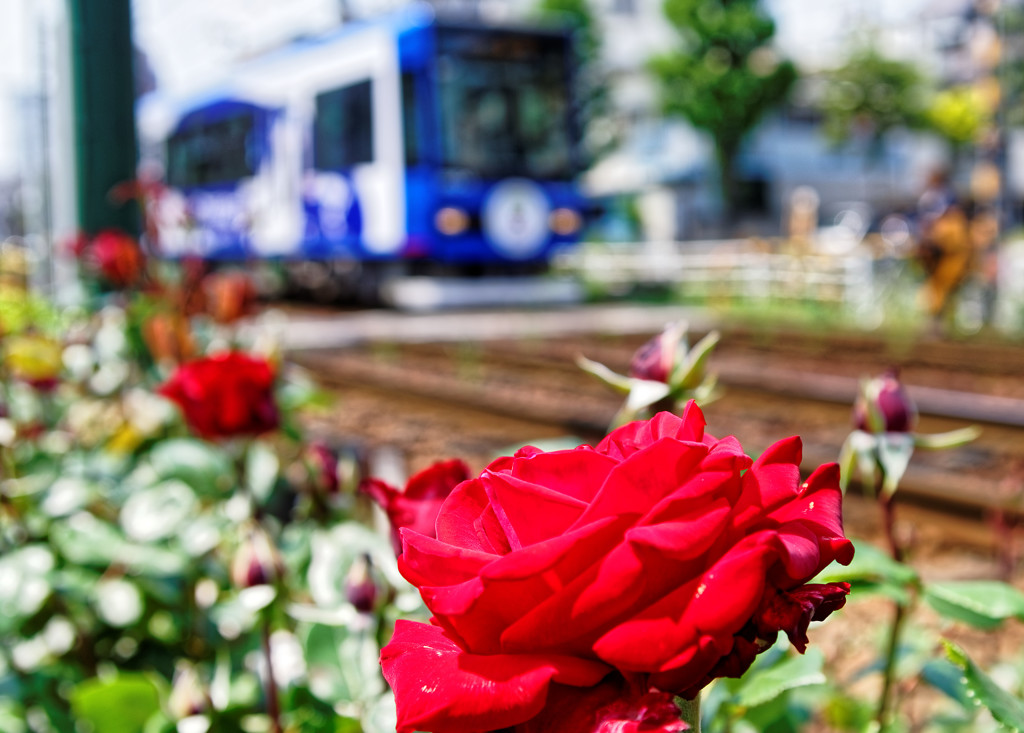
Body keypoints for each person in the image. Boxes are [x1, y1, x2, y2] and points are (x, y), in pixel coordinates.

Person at [915, 169, 972, 332]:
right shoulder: (935, 197)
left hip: (948, 247)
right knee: (937, 286)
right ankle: (935, 322)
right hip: (939, 246)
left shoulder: (944, 198)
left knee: (944, 286)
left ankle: (938, 322)